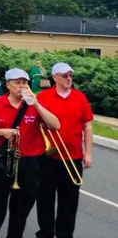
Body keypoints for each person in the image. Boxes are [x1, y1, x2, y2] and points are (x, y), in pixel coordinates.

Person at [0, 68, 60, 238]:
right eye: (17, 82)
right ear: (8, 84)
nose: (22, 86)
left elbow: (55, 125)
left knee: (20, 213)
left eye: (24, 82)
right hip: (2, 162)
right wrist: (1, 132)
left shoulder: (33, 105)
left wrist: (35, 103)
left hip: (28, 163)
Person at [35, 63, 93, 238]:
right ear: (55, 78)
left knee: (69, 201)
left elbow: (88, 127)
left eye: (70, 75)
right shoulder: (44, 97)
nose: (69, 79)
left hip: (72, 156)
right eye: (65, 75)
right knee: (45, 199)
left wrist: (88, 153)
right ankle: (45, 233)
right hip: (47, 157)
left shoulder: (79, 98)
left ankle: (65, 235)